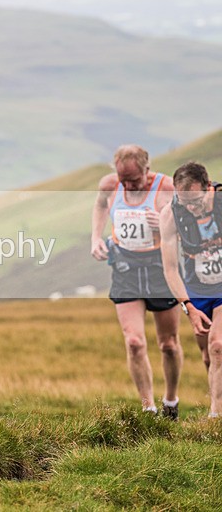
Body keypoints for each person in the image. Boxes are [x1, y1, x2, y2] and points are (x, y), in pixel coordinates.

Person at [90, 144, 183, 419]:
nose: (128, 186)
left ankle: (170, 401)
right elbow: (100, 205)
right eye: (123, 180)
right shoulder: (110, 185)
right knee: (133, 342)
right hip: (126, 269)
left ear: (147, 169)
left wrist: (165, 222)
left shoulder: (167, 188)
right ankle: (148, 408)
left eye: (133, 179)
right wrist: (95, 238)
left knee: (168, 344)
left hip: (160, 269)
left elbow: (189, 224)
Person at [160, 161, 222, 419]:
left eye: (196, 201)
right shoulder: (171, 214)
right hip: (197, 290)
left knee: (218, 346)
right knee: (208, 356)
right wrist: (188, 307)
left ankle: (215, 418)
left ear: (208, 187)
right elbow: (170, 269)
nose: (191, 208)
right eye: (185, 202)